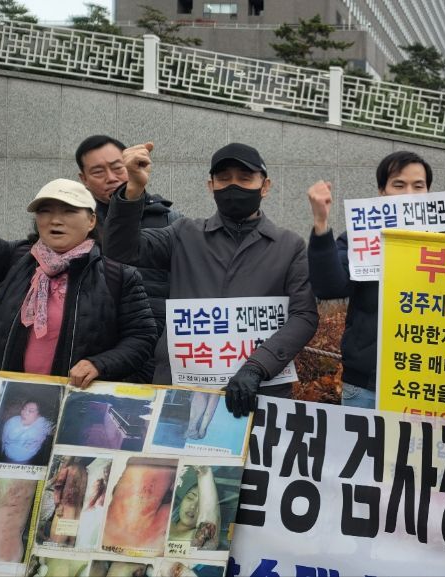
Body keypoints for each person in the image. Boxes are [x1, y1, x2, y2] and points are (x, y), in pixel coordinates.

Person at [104, 142, 319, 418]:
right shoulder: (183, 234)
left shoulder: (289, 245)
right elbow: (120, 249)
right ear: (211, 186)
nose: (234, 186)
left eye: (245, 178)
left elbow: (304, 315)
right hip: (182, 386)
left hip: (259, 391)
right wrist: (133, 188)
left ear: (265, 186)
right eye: (224, 179)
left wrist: (258, 367)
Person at [307, 151, 445, 409]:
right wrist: (321, 222)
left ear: (429, 192)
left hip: (431, 383)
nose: (409, 194)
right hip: (367, 385)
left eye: (418, 186)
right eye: (399, 185)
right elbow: (329, 287)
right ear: (382, 191)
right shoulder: (360, 239)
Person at [0, 179, 157, 386]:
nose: (55, 220)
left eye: (69, 211)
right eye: (45, 211)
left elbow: (142, 337)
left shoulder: (118, 276)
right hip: (9, 395)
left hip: (76, 397)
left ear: (91, 221)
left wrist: (100, 364)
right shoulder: (16, 259)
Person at [75, 135, 182, 383]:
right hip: (94, 358)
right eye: (98, 172)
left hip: (158, 355)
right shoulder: (76, 225)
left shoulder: (169, 221)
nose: (111, 177)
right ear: (84, 179)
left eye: (117, 167)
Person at [169, 466, 220, 550]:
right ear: (182, 501)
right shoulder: (163, 522)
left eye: (200, 504)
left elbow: (207, 530)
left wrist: (205, 473)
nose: (193, 506)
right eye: (190, 497)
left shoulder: (197, 538)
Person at [0, 400, 53, 464]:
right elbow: (3, 439)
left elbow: (56, 431)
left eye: (30, 411)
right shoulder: (12, 422)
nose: (24, 413)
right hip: (6, 457)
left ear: (39, 415)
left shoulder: (43, 425)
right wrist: (1, 454)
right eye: (24, 409)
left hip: (27, 460)